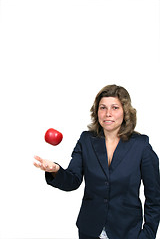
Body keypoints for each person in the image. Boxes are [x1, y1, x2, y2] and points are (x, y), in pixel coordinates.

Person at [34, 84, 160, 239]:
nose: (108, 113)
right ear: (97, 111)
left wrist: (148, 234)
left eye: (115, 108)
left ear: (125, 112)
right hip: (89, 231)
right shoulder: (86, 140)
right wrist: (55, 170)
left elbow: (154, 197)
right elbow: (73, 181)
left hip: (127, 232)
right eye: (103, 108)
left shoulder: (141, 146)